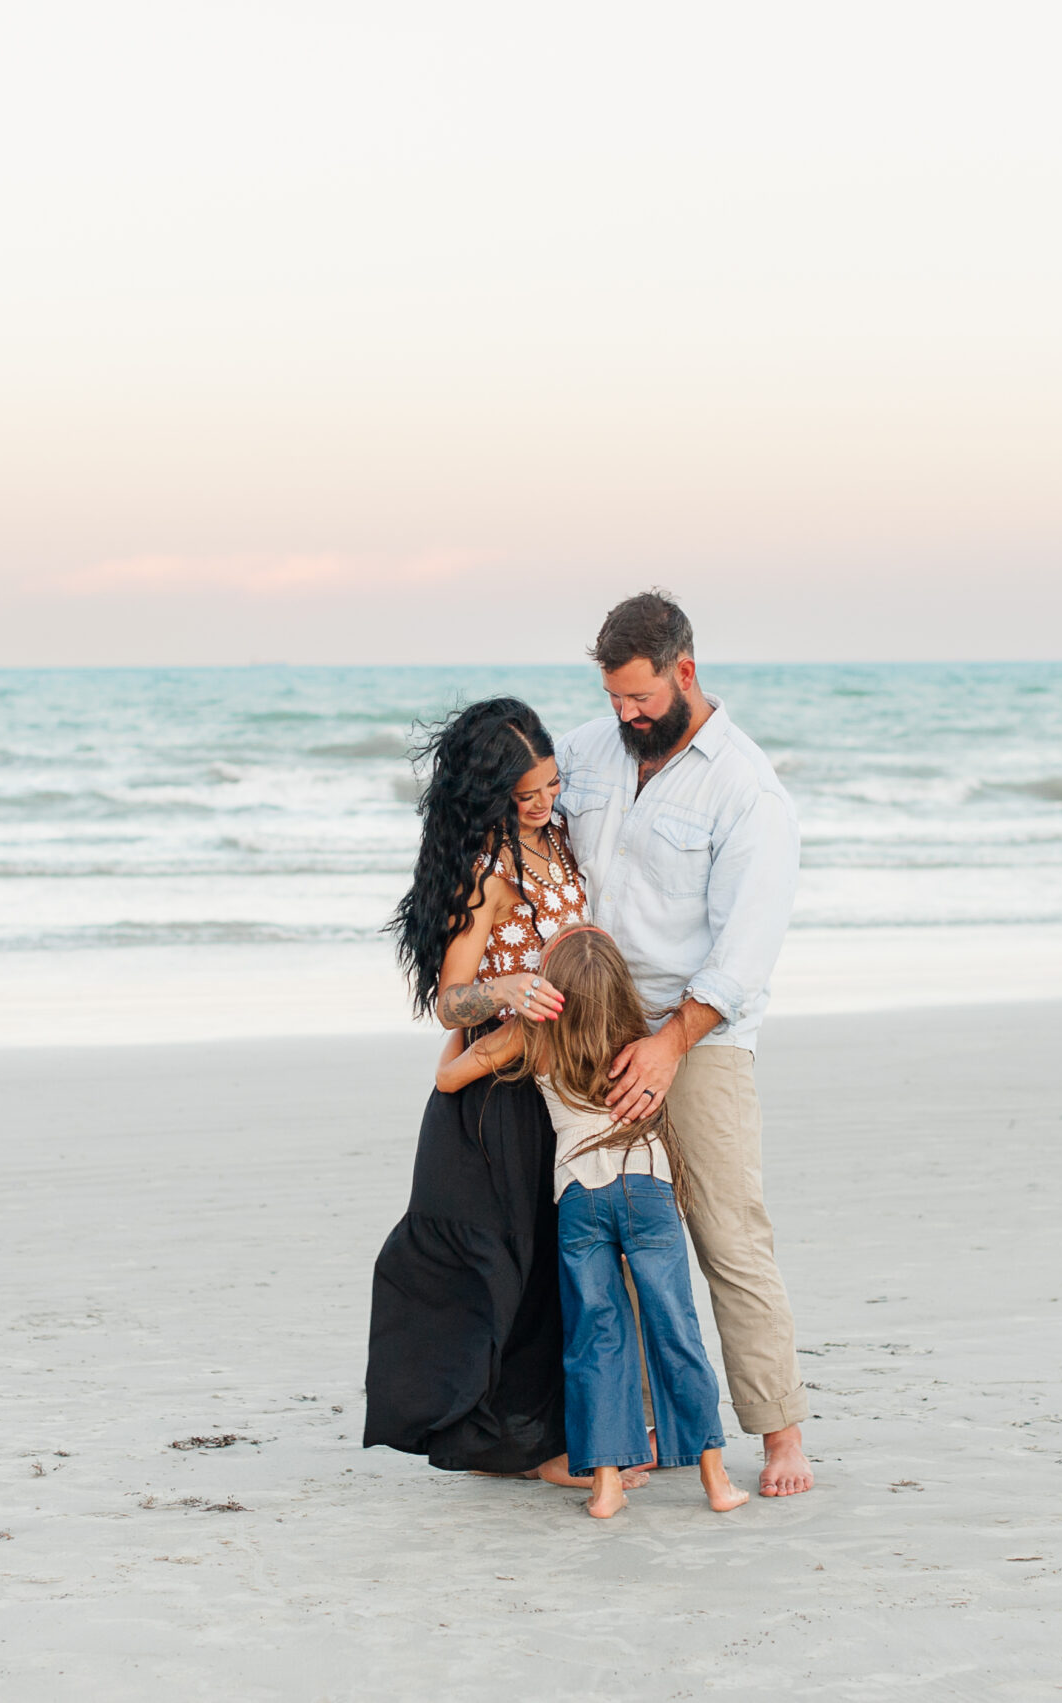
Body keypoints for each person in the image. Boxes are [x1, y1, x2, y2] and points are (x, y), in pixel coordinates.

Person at [555, 590, 816, 1497]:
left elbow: (744, 949)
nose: (625, 715)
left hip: (699, 1035)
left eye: (639, 698)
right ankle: (621, 1432)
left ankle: (780, 1432)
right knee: (597, 1230)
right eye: (613, 698)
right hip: (589, 1029)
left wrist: (670, 1046)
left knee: (725, 1232)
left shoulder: (746, 788)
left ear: (686, 672)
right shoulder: (590, 751)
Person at [365, 697, 619, 1485]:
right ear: (489, 798)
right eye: (526, 796)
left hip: (560, 1084)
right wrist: (506, 987)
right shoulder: (487, 870)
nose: (544, 805)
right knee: (508, 1269)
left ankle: (552, 1434)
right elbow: (448, 999)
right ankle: (534, 1450)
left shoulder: (561, 843)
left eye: (550, 786)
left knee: (554, 1263)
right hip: (494, 1101)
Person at [436, 924, 751, 1520]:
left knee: (595, 1337)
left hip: (579, 1196)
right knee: (675, 1330)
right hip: (649, 1190)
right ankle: (715, 1478)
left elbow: (448, 1079)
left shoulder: (530, 1037)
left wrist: (468, 1025)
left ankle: (606, 1485)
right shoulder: (644, 1034)